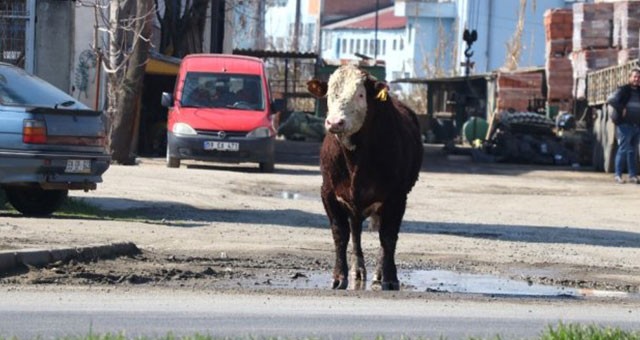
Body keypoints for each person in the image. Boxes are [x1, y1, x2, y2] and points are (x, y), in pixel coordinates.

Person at [607, 67, 640, 184]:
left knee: (633, 150)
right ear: (630, 78)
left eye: (638, 77)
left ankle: (632, 176)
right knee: (623, 148)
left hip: (637, 125)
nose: (636, 79)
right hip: (625, 124)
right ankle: (618, 175)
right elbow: (610, 99)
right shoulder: (624, 90)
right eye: (634, 77)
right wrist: (622, 108)